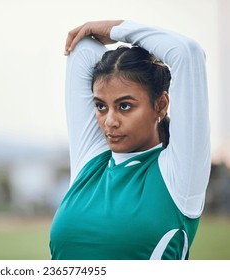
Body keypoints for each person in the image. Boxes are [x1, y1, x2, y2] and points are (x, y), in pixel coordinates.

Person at [49, 20, 211, 260]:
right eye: (101, 106)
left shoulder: (179, 177)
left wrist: (114, 29)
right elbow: (83, 49)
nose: (110, 122)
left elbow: (187, 53)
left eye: (125, 106)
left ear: (161, 105)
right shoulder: (91, 163)